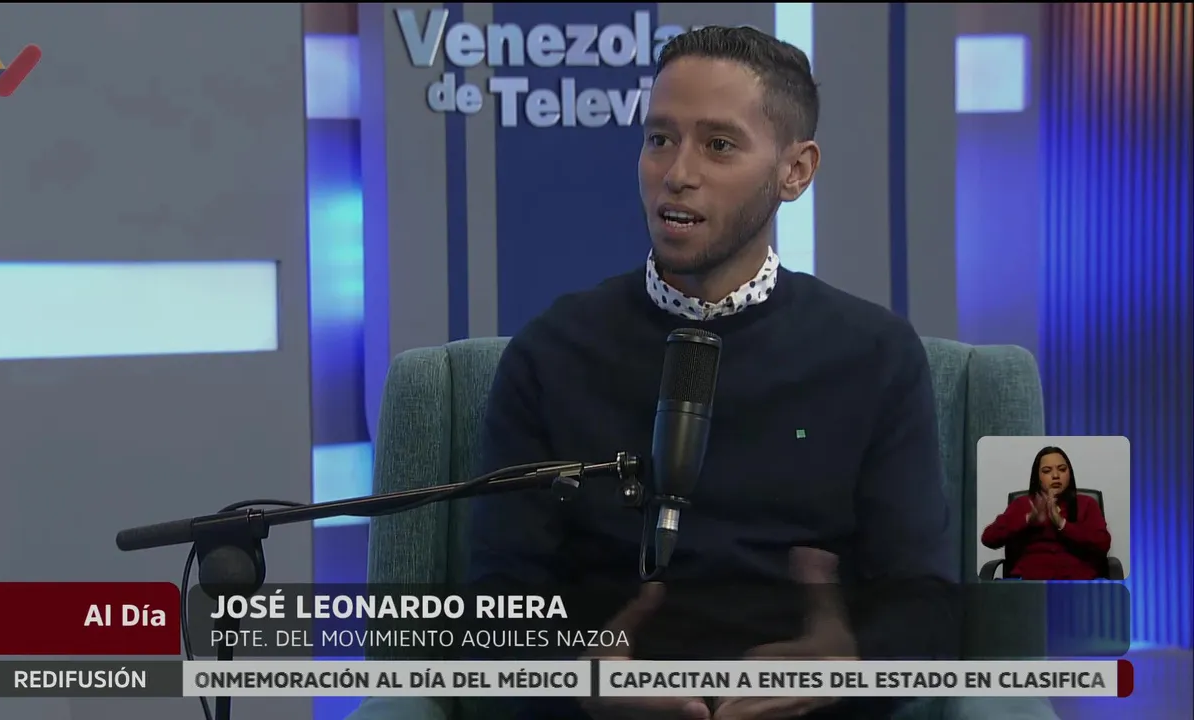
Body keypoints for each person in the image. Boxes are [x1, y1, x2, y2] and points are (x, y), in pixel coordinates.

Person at [467, 26, 958, 720]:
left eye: (718, 144)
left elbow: (926, 605)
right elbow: (496, 607)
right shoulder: (552, 352)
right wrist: (578, 681)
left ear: (795, 171)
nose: (677, 172)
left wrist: (849, 669)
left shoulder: (874, 355)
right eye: (659, 138)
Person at [980, 446, 1112, 580]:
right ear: (1037, 476)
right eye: (1047, 471)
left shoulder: (1087, 503)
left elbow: (1103, 543)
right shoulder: (1023, 504)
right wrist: (1028, 519)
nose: (1056, 476)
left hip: (1077, 582)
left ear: (1070, 474)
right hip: (1030, 583)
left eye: (1062, 469)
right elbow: (989, 538)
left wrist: (1062, 524)